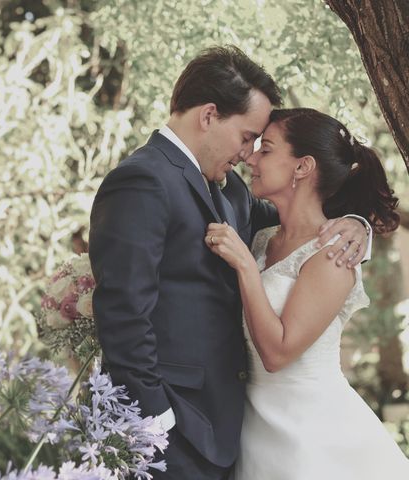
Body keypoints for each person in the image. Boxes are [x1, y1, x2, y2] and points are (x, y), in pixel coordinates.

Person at [88, 46, 371, 480]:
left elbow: (301, 223)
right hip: (169, 433)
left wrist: (357, 225)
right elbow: (124, 314)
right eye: (245, 136)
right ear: (208, 115)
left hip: (227, 430)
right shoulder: (142, 180)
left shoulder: (233, 190)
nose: (248, 153)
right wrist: (155, 424)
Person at [205, 108, 408, 479]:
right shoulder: (264, 238)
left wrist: (247, 269)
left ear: (303, 167)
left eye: (265, 150)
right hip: (253, 429)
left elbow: (278, 353)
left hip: (311, 435)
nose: (250, 157)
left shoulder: (333, 254)